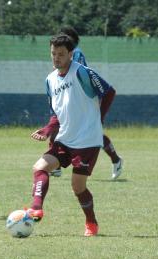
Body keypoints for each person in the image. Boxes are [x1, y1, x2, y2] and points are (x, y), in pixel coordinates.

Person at [28, 34, 116, 236]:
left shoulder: (82, 72)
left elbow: (109, 92)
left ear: (70, 54)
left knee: (77, 187)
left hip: (86, 140)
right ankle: (36, 208)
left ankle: (91, 223)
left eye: (61, 54)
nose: (56, 58)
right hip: (65, 139)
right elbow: (56, 113)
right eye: (53, 54)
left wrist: (98, 120)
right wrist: (48, 129)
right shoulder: (50, 80)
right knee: (39, 168)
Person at [46, 26, 123, 180]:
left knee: (91, 134)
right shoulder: (56, 68)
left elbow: (82, 75)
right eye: (54, 53)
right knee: (60, 130)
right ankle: (57, 166)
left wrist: (98, 115)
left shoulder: (77, 54)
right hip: (67, 97)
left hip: (82, 97)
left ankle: (115, 159)